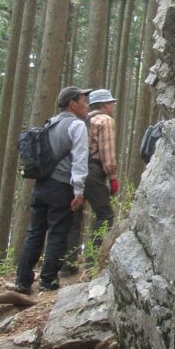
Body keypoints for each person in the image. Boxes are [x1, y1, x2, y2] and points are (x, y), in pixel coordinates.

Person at [14, 86, 90, 293]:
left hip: (41, 185)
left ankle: (22, 281)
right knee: (58, 233)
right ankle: (48, 281)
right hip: (62, 187)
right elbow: (80, 159)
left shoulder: (50, 123)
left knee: (34, 232)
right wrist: (79, 190)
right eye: (83, 100)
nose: (87, 105)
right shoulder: (77, 125)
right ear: (72, 104)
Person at [62, 88, 119, 274]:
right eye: (111, 103)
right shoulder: (105, 121)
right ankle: (92, 261)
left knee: (74, 219)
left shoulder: (81, 121)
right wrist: (113, 178)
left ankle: (67, 265)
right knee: (105, 214)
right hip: (93, 171)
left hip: (74, 172)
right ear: (104, 105)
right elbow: (107, 154)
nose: (113, 107)